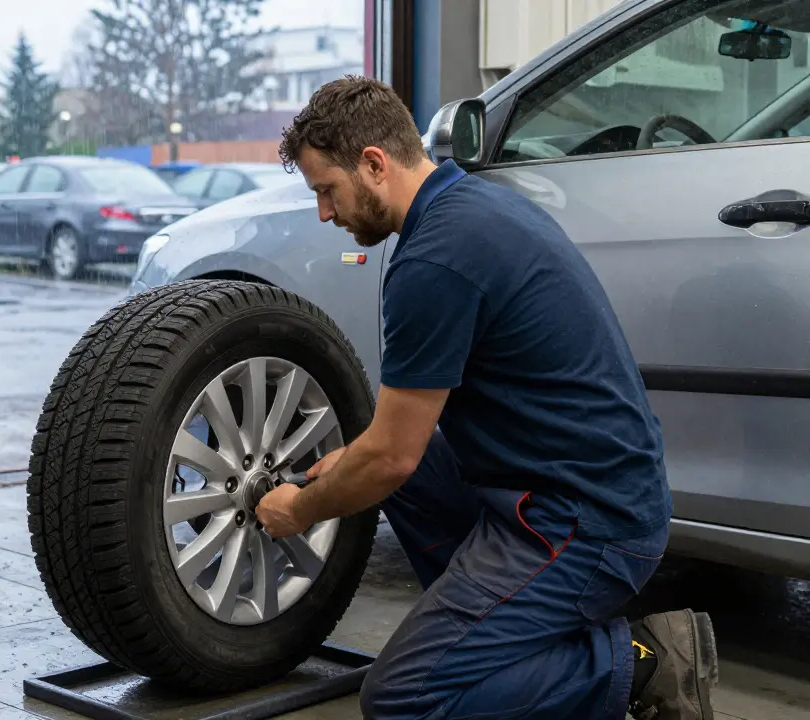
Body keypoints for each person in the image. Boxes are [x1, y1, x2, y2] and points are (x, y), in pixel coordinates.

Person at [254, 76, 718, 720]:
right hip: (586, 483)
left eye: (326, 190)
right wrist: (360, 462)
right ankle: (488, 634)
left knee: (401, 699)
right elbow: (397, 450)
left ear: (374, 164)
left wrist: (301, 509)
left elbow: (390, 457)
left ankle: (640, 661)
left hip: (589, 522)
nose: (325, 213)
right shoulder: (474, 205)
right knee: (390, 468)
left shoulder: (434, 261)